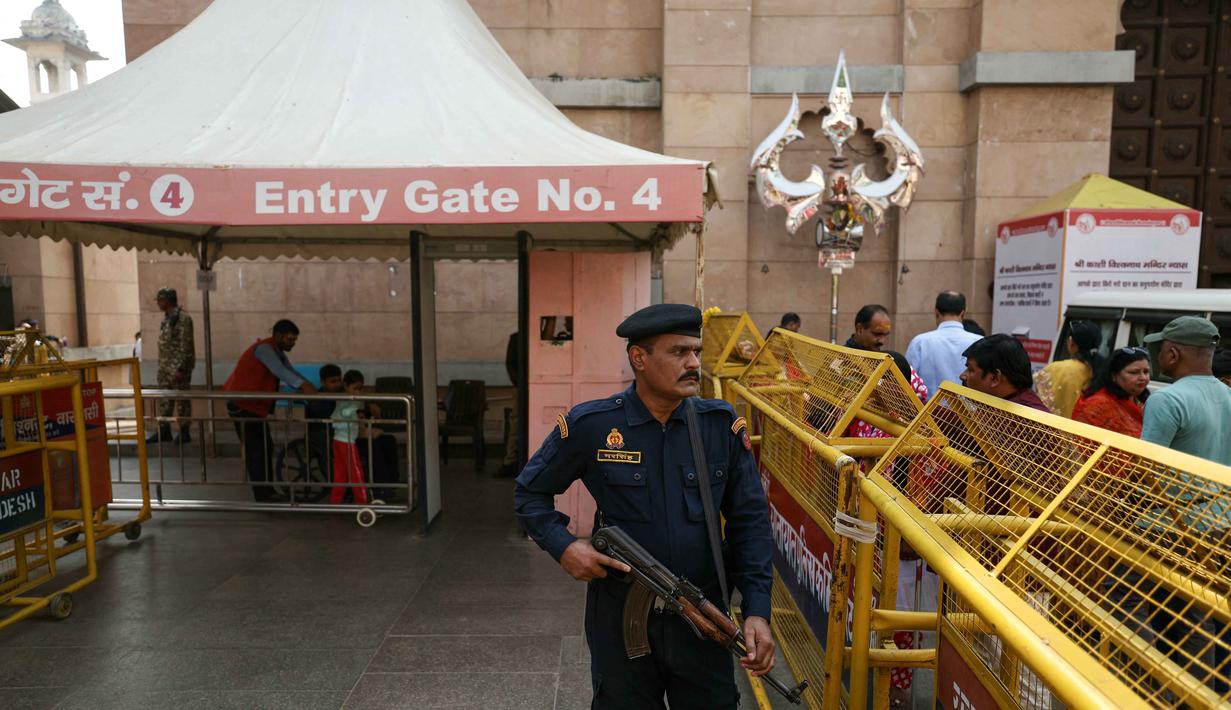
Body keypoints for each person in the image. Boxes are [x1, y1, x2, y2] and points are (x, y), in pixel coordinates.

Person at [514, 303, 776, 709]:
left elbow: (750, 523)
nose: (693, 363)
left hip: (703, 616)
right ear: (639, 358)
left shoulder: (718, 427)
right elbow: (529, 493)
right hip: (621, 618)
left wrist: (757, 611)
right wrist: (564, 546)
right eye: (678, 352)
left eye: (696, 352)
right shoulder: (594, 426)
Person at [223, 319, 317, 502]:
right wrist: (304, 386)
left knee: (265, 448)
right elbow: (280, 371)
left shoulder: (277, 351)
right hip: (243, 406)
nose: (293, 343)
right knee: (256, 450)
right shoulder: (264, 350)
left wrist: (309, 386)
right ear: (278, 336)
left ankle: (267, 490)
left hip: (253, 407)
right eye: (290, 339)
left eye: (295, 340)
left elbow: (289, 370)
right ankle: (262, 494)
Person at [1141, 316, 1231, 465]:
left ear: (1172, 355)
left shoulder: (1166, 399)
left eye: (1160, 350)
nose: (1157, 355)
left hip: (1170, 489)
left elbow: (1146, 465)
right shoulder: (1228, 394)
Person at [906, 291, 983, 400]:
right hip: (968, 414)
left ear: (936, 312)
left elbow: (907, 381)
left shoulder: (920, 342)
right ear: (963, 313)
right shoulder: (980, 342)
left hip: (927, 414)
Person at [148, 288, 195, 444]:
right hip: (165, 368)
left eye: (160, 300)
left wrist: (181, 369)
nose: (158, 303)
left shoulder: (183, 319)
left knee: (182, 400)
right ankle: (164, 430)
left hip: (177, 369)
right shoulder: (168, 319)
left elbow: (185, 345)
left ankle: (184, 431)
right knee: (165, 400)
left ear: (167, 300)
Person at [1071, 347, 1151, 437]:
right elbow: (1084, 446)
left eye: (1146, 372)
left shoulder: (1142, 401)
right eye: (1134, 372)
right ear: (1114, 375)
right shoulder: (1096, 406)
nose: (1143, 378)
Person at [959, 334, 1049, 412]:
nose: (962, 376)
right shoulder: (1003, 408)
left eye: (970, 370)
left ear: (995, 378)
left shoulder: (1022, 419)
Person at [1033, 320, 1103, 418]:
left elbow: (1040, 402)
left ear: (1071, 342)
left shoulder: (1054, 368)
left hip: (1053, 430)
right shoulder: (1102, 370)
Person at [330, 370, 370, 505]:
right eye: (355, 388)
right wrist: (357, 404)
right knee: (356, 472)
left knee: (340, 473)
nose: (358, 392)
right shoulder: (347, 401)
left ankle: (335, 501)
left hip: (339, 440)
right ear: (346, 386)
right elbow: (340, 416)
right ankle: (362, 502)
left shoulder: (344, 400)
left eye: (360, 388)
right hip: (346, 441)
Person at [498, 332, 520, 477]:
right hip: (520, 386)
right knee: (516, 423)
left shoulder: (516, 338)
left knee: (516, 424)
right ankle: (511, 460)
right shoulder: (517, 338)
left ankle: (510, 460)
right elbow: (510, 363)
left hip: (520, 386)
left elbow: (510, 363)